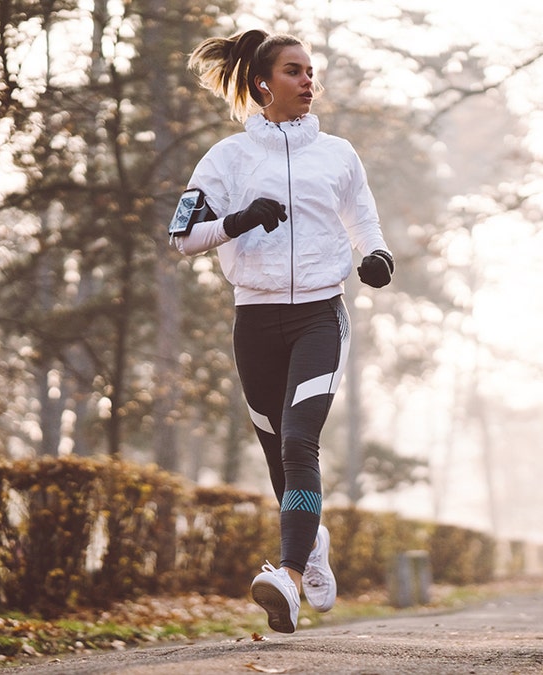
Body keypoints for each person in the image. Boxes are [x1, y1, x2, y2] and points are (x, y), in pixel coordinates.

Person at [176, 28, 394, 634]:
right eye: (294, 70)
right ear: (262, 83)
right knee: (278, 459)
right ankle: (312, 536)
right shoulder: (226, 158)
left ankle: (289, 579)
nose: (307, 80)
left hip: (320, 316)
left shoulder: (339, 154)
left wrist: (376, 257)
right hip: (255, 320)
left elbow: (365, 222)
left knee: (300, 442)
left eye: (310, 70)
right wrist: (240, 220)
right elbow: (182, 237)